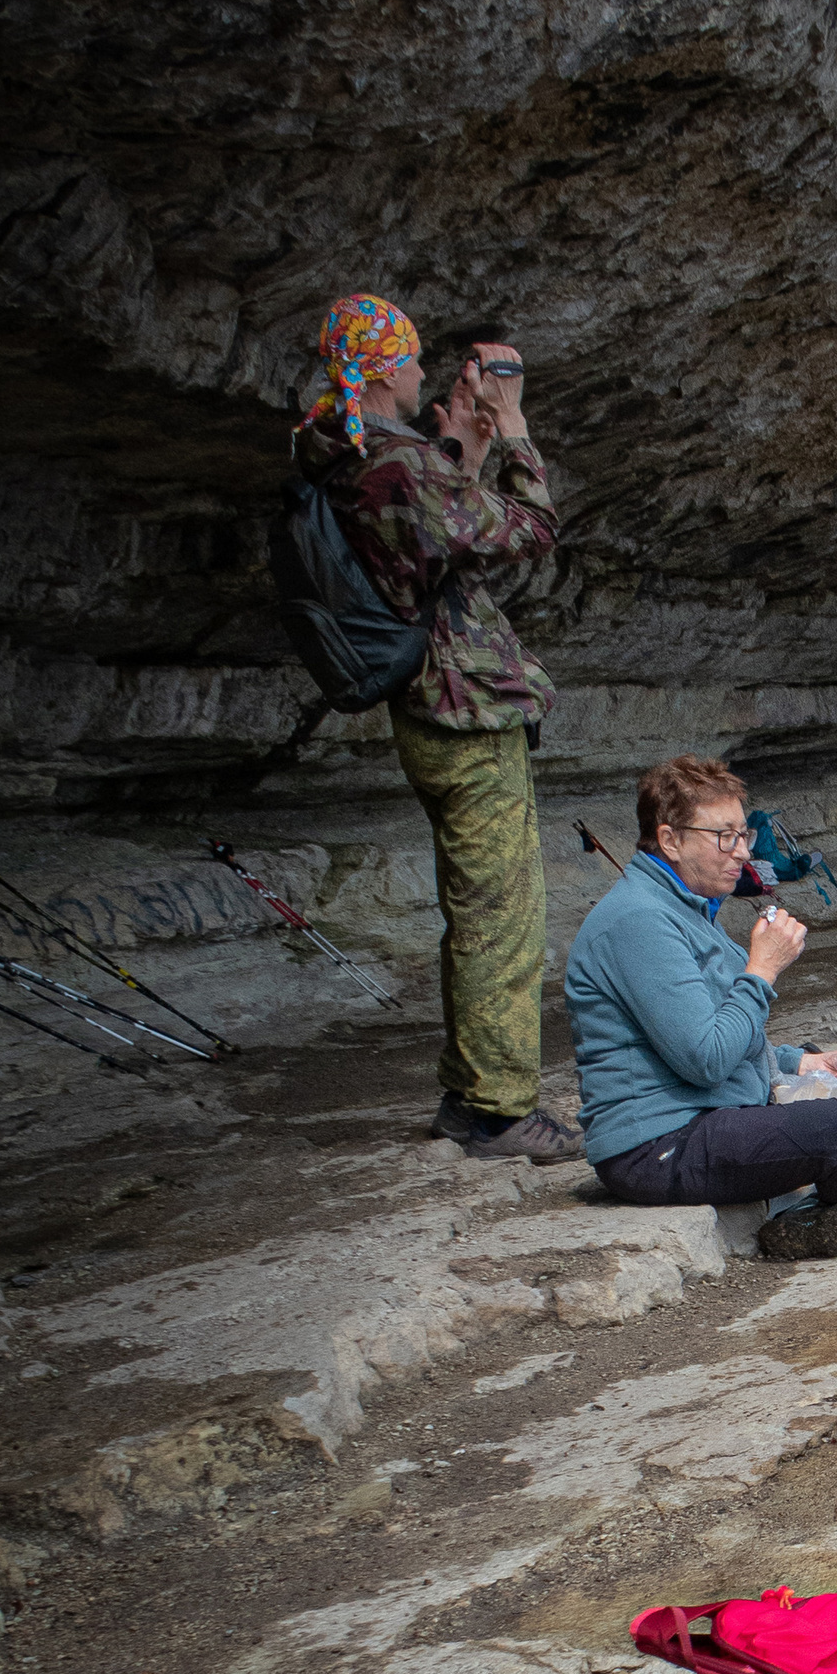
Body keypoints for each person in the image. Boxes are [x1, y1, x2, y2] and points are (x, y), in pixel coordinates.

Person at [291, 295, 579, 1162]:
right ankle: (496, 1107)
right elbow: (529, 529)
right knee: (502, 913)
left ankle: (470, 1094)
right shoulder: (397, 465)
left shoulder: (350, 455)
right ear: (383, 369)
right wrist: (515, 427)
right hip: (463, 709)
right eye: (413, 360)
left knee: (477, 908)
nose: (425, 373)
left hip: (431, 706)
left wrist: (465, 442)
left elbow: (430, 535)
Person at [566, 754, 837, 1262]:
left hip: (714, 1111)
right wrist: (762, 970)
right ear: (669, 840)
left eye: (743, 835)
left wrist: (802, 1063)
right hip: (657, 1145)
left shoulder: (685, 907)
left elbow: (714, 1032)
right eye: (724, 836)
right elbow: (705, 1058)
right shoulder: (639, 922)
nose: (742, 853)